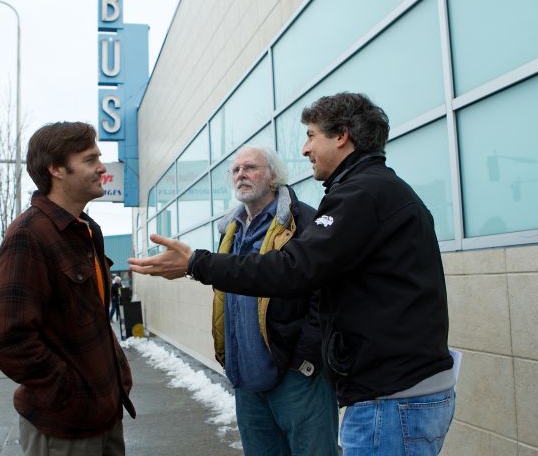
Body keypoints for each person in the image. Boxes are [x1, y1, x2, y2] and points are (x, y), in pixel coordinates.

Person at [129, 92, 456, 456]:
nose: (304, 149)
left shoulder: (362, 194)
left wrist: (196, 264)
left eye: (311, 135)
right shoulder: (370, 190)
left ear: (342, 135)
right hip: (385, 393)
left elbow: (294, 270)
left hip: (390, 397)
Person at [0, 121, 134, 456]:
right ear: (56, 169)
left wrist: (116, 377)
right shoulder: (28, 235)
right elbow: (8, 340)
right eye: (90, 159)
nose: (101, 167)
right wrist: (71, 395)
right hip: (65, 428)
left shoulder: (87, 230)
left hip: (106, 416)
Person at [214, 145, 339, 456]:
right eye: (236, 169)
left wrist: (305, 359)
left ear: (273, 176)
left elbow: (325, 294)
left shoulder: (304, 222)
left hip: (298, 379)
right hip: (247, 383)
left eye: (250, 167)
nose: (241, 174)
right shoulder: (229, 231)